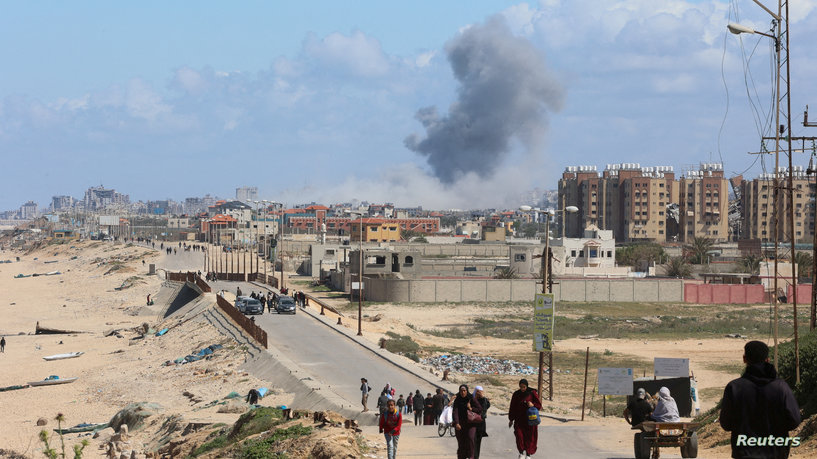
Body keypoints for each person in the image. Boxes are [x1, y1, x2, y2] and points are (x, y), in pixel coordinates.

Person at [720, 340, 801, 459]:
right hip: (776, 453)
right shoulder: (781, 387)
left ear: (744, 359)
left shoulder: (734, 387)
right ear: (767, 360)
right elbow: (794, 420)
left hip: (745, 453)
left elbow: (726, 424)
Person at [509, 378, 542, 459]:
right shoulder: (516, 394)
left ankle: (528, 454)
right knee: (519, 436)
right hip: (519, 420)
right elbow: (512, 407)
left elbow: (539, 405)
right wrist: (511, 419)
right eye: (521, 387)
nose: (522, 389)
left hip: (530, 420)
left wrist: (532, 405)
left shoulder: (532, 393)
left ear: (527, 386)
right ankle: (521, 452)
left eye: (524, 387)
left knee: (529, 437)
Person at [452, 384, 483, 459]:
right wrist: (457, 423)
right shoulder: (457, 400)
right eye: (461, 391)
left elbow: (480, 409)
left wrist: (471, 408)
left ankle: (471, 456)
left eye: (464, 391)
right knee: (461, 441)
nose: (462, 392)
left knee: (470, 438)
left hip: (470, 424)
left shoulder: (471, 399)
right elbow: (455, 412)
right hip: (460, 424)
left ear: (467, 391)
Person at [473, 386, 490, 459]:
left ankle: (476, 457)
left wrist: (483, 398)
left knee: (478, 442)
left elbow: (485, 408)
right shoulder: (471, 399)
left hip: (480, 424)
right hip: (472, 423)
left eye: (481, 391)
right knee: (472, 441)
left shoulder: (484, 400)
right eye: (478, 391)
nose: (479, 393)